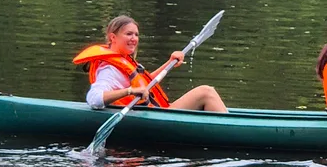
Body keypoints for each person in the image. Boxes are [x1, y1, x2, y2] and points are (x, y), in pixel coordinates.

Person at [74, 15, 228, 112]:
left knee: (206, 93)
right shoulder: (109, 68)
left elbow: (146, 84)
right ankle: (232, 132)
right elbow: (94, 99)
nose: (134, 38)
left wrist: (170, 62)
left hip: (156, 111)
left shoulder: (125, 60)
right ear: (113, 37)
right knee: (206, 92)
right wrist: (129, 91)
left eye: (136, 34)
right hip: (153, 117)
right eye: (128, 34)